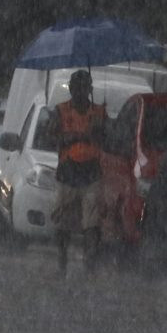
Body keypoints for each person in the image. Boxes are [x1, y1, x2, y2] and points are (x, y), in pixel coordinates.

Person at [50, 69, 108, 274]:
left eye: (85, 88)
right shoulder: (61, 111)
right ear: (71, 90)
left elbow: (107, 140)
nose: (81, 93)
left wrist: (99, 129)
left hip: (91, 173)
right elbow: (54, 137)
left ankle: (90, 263)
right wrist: (76, 136)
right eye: (78, 89)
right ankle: (62, 261)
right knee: (62, 221)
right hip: (67, 173)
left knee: (92, 223)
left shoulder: (99, 113)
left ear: (90, 89)